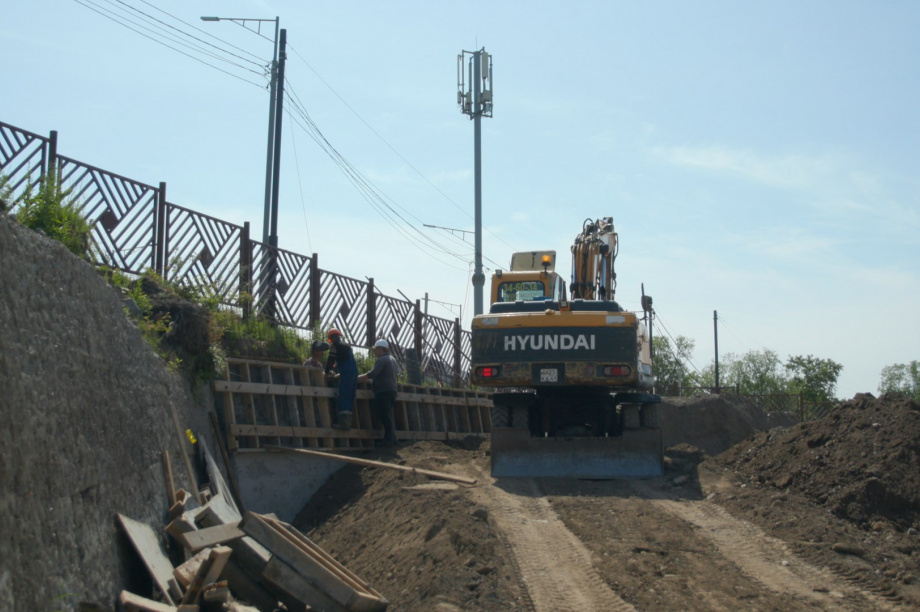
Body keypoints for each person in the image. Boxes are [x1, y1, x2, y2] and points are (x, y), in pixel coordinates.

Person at [358, 339, 398, 446]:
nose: (374, 352)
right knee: (388, 415)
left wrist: (356, 379)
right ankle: (392, 438)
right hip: (392, 390)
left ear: (381, 349)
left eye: (375, 349)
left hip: (383, 391)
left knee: (384, 415)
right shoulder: (393, 359)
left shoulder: (382, 360)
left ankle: (389, 440)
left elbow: (372, 374)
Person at [325, 329, 357, 429]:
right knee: (350, 396)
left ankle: (344, 423)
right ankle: (349, 422)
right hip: (354, 374)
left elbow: (331, 359)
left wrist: (326, 372)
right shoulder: (347, 346)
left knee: (343, 396)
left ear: (331, 338)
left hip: (346, 374)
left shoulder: (334, 346)